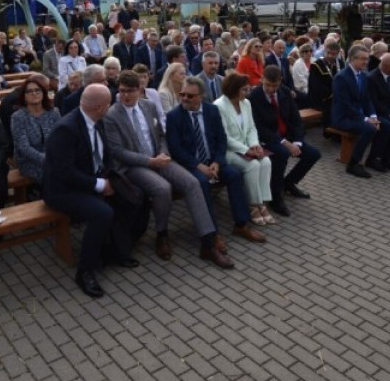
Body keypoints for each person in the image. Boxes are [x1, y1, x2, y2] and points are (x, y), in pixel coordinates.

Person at [104, 71, 233, 267]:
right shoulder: (112, 115)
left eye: (130, 91)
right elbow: (117, 151)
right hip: (134, 166)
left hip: (160, 158)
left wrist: (162, 154)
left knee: (193, 182)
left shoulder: (148, 106)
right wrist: (150, 161)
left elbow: (162, 136)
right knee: (162, 188)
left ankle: (208, 242)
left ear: (140, 90)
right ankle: (161, 234)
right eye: (122, 91)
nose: (126, 95)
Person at [43, 84, 145, 298]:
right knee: (102, 213)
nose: (111, 107)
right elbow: (65, 172)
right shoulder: (66, 129)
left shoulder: (96, 121)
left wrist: (108, 179)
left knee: (136, 197)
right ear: (100, 107)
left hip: (93, 178)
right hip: (63, 190)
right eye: (109, 104)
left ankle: (115, 251)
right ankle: (85, 270)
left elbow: (105, 155)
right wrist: (99, 185)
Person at [166, 77, 267, 245]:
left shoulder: (211, 111)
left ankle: (241, 224)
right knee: (202, 183)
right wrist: (199, 166)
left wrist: (217, 162)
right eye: (182, 94)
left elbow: (221, 139)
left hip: (213, 161)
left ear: (201, 96)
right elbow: (176, 149)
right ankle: (212, 232)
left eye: (190, 96)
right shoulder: (174, 116)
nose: (184, 98)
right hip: (192, 164)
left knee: (234, 175)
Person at [250, 65, 321, 209]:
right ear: (262, 79)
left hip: (287, 136)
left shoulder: (285, 92)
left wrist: (298, 142)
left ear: (280, 81)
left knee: (313, 154)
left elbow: (296, 119)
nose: (271, 89)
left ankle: (288, 183)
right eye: (267, 85)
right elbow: (259, 127)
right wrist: (285, 143)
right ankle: (275, 197)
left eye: (274, 85)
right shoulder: (254, 96)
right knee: (282, 153)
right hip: (268, 138)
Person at [214, 73, 275, 226]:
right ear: (234, 90)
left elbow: (251, 128)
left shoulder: (246, 103)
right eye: (244, 90)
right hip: (229, 150)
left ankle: (262, 203)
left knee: (266, 161)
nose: (247, 93)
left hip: (247, 147)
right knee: (253, 165)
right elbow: (224, 137)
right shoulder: (219, 106)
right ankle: (253, 205)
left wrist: (255, 145)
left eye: (247, 89)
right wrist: (246, 150)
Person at [330, 44, 380, 178]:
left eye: (367, 58)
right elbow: (345, 105)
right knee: (369, 129)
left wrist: (373, 115)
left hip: (358, 115)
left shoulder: (363, 75)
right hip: (344, 117)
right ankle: (353, 164)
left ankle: (373, 159)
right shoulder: (342, 77)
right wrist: (365, 119)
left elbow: (367, 99)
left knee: (384, 124)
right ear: (352, 59)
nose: (366, 62)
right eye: (363, 59)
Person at [10, 74, 60, 185]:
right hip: (28, 161)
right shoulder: (18, 117)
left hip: (53, 157)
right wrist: (47, 160)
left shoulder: (54, 112)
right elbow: (24, 147)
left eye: (37, 90)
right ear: (24, 96)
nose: (34, 93)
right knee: (54, 176)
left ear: (43, 93)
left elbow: (60, 139)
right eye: (29, 91)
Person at [308, 40, 345, 131]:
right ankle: (331, 131)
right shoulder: (316, 65)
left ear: (337, 53)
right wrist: (332, 94)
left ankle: (344, 129)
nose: (330, 56)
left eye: (333, 54)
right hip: (322, 98)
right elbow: (316, 86)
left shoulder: (340, 63)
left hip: (337, 95)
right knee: (333, 106)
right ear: (325, 51)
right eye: (328, 53)